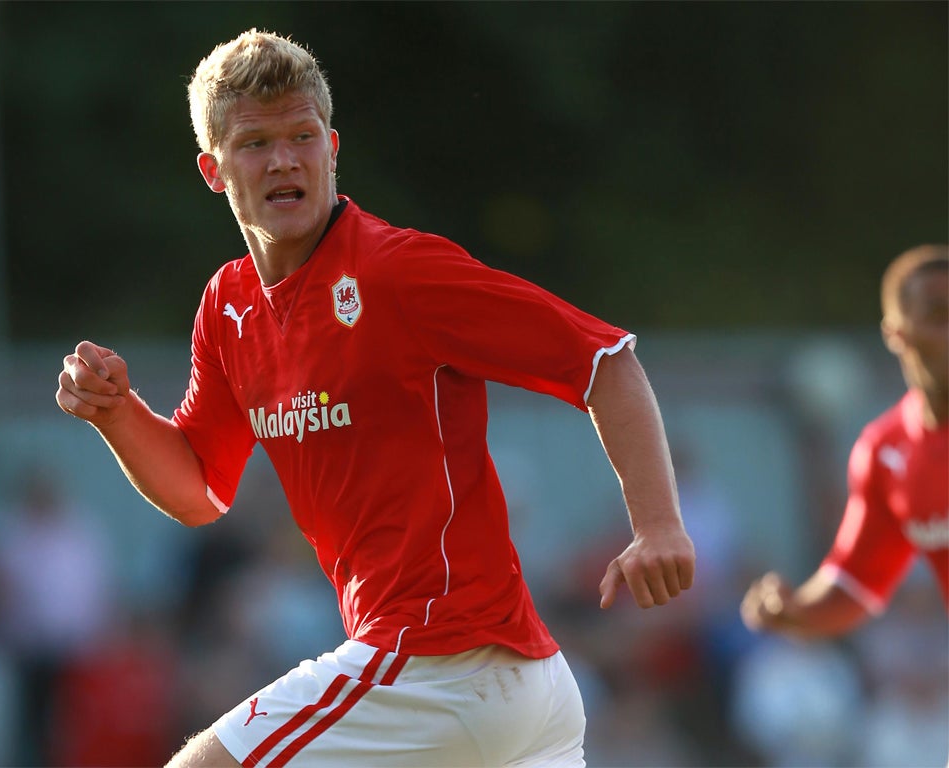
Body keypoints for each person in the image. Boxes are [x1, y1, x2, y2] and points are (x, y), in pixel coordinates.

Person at [56, 29, 695, 768]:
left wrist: (658, 527)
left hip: (442, 666)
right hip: (506, 693)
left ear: (332, 148)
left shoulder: (398, 273)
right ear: (213, 168)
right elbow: (200, 489)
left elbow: (603, 362)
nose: (285, 159)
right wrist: (115, 412)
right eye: (256, 142)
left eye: (301, 136)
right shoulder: (227, 307)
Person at [741, 244, 948, 638]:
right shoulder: (887, 451)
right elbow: (853, 586)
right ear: (896, 333)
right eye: (940, 315)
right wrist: (790, 610)